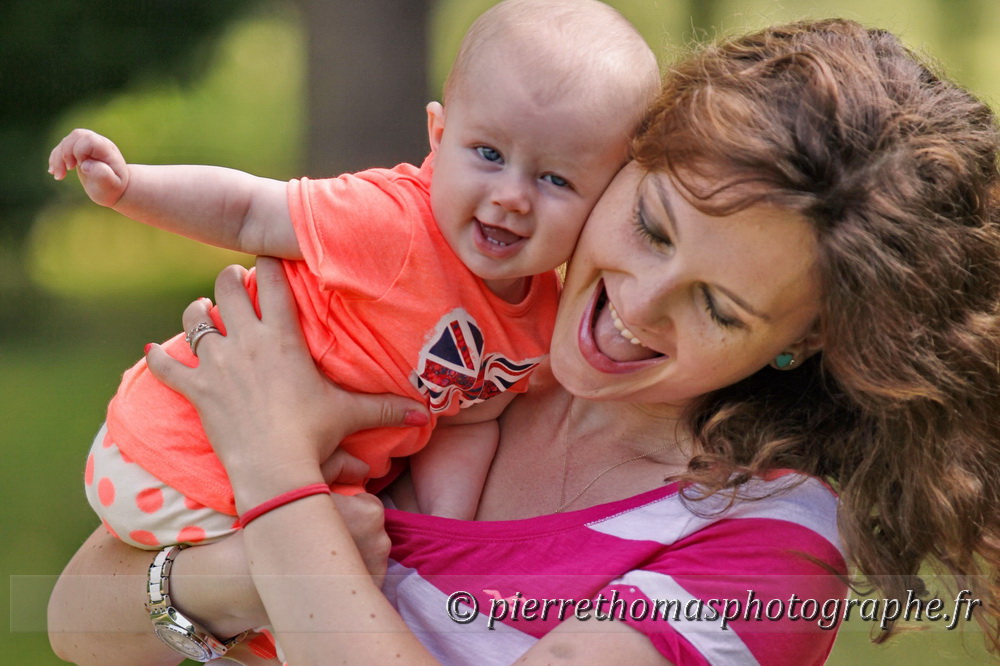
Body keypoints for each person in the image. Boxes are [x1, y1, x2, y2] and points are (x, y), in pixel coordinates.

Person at [48, 17, 1000, 666]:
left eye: (721, 308)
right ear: (629, 157)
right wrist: (244, 569)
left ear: (811, 340)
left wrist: (277, 478)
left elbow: (260, 503)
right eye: (654, 226)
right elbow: (76, 616)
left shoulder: (766, 552)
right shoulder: (458, 333)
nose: (635, 305)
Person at [46, 0, 660, 540]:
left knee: (363, 560)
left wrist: (447, 531)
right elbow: (246, 212)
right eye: (489, 154)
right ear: (438, 136)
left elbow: (464, 422)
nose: (511, 196)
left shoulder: (541, 322)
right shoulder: (389, 225)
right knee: (341, 569)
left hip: (271, 475)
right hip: (181, 449)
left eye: (555, 179)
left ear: (605, 198)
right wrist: (129, 187)